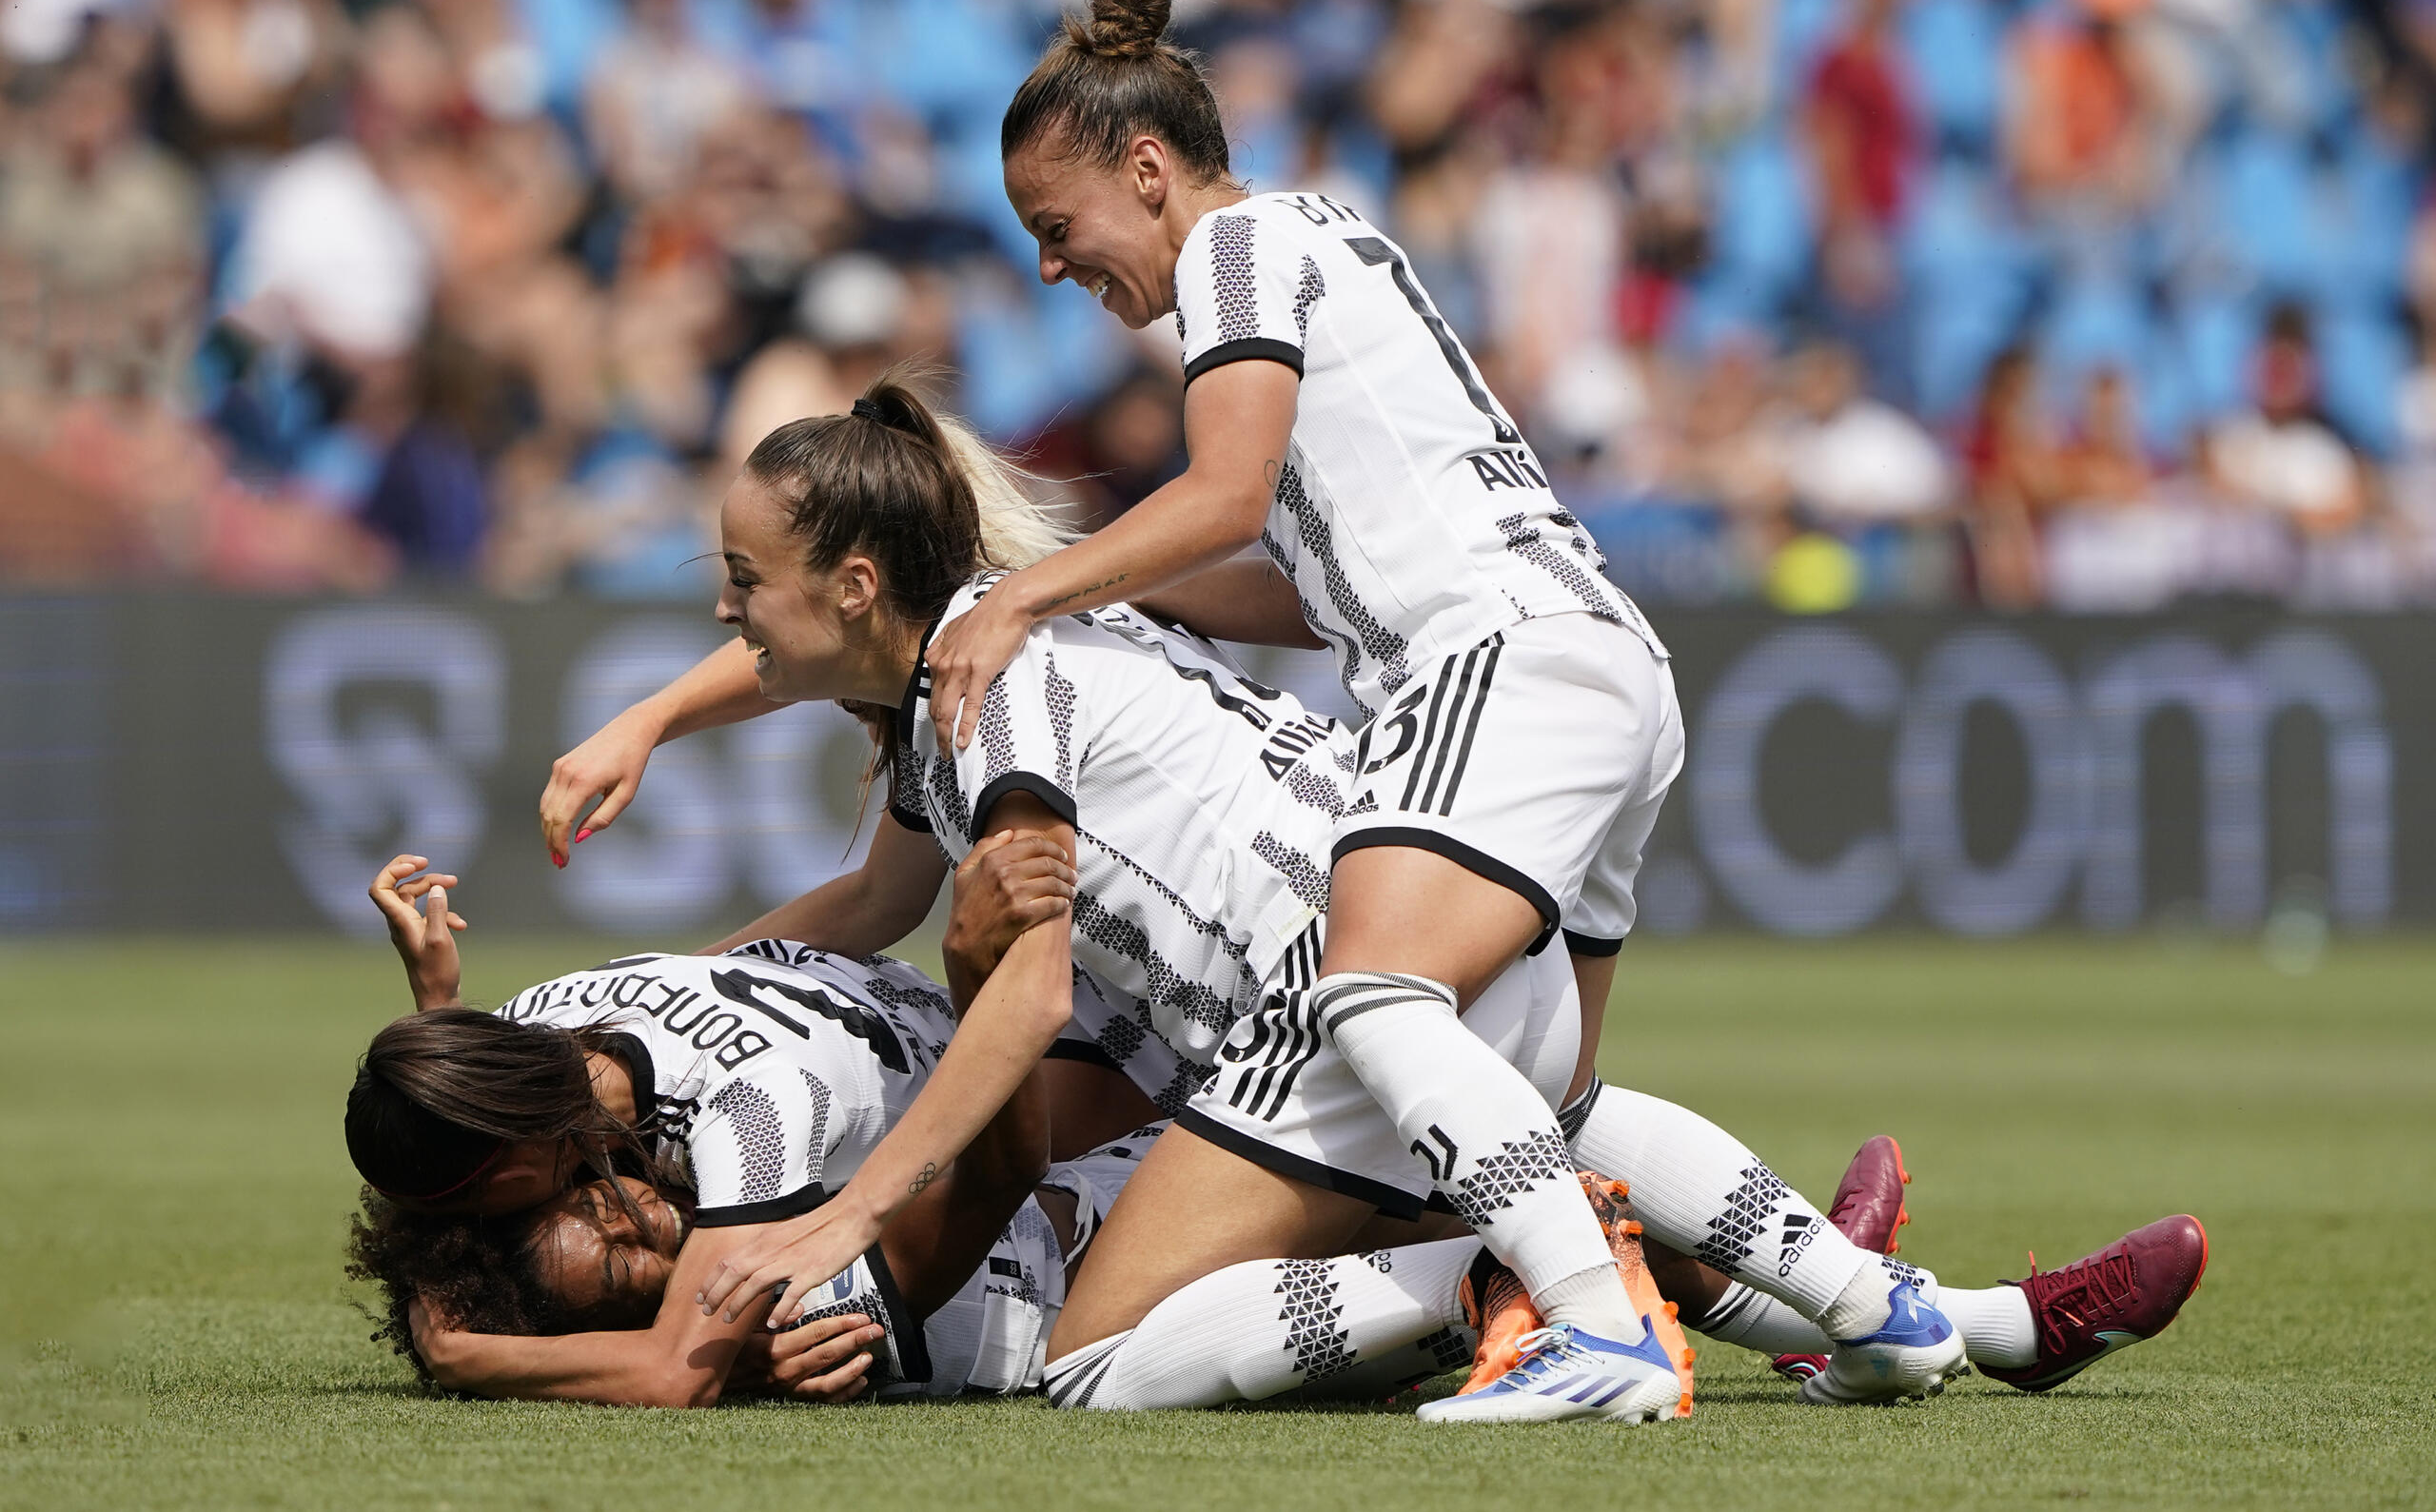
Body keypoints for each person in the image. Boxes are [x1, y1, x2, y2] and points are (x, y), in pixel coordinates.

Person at [540, 368, 2203, 1424]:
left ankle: (1514, 1279)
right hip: (1425, 925)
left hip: (1313, 1007)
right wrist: (676, 922)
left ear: (852, 579)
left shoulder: (990, 692)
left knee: (1098, 1360)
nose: (722, 607)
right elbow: (857, 897)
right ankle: (1960, 1320)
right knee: (1563, 1123)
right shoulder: (980, 652)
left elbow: (1028, 999)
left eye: (741, 579)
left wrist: (843, 1217)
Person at [896, 0, 1960, 1418]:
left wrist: (1024, 587)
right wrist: (1123, 584)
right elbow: (1300, 572)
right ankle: (1878, 1306)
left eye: (1056, 226)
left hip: (1497, 659)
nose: (1053, 265)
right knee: (1542, 1094)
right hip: (1602, 657)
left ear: (1146, 169)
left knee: (1372, 996)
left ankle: (1592, 1321)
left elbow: (1223, 492)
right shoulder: (1327, 231)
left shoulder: (1231, 254)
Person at [344, 835, 1065, 1405]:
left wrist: (463, 1355)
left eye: (463, 1208)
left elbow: (673, 1376)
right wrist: (439, 1011)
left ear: (513, 1165)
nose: (455, 1228)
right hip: (980, 1046)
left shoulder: (745, 1113)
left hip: (1042, 1077)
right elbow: (460, 1113)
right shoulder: (534, 1023)